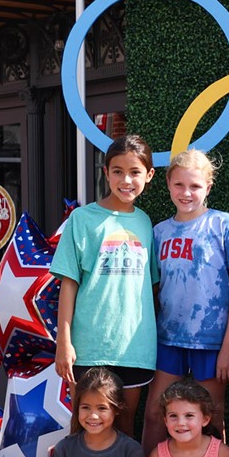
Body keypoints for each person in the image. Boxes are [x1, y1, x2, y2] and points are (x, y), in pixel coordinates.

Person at [141, 148, 229, 455]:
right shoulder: (158, 233)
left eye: (195, 186)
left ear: (208, 187)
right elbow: (152, 290)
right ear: (167, 184)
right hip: (168, 339)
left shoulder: (224, 225)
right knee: (154, 415)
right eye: (179, 185)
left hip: (212, 342)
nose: (186, 193)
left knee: (212, 417)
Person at [51, 134, 158, 440]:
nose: (126, 180)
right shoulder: (81, 220)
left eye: (135, 172)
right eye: (118, 171)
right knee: (85, 432)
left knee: (125, 433)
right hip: (88, 348)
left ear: (149, 175)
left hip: (136, 349)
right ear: (106, 172)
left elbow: (149, 288)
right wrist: (64, 343)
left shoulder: (146, 223)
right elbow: (69, 284)